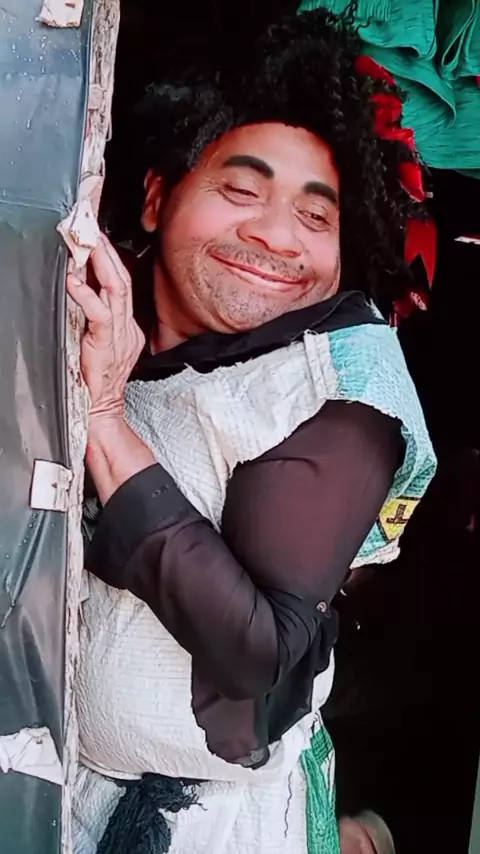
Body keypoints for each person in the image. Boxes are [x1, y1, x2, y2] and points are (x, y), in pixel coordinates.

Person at [68, 8, 436, 854]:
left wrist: (105, 420)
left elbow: (255, 656)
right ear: (156, 199)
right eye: (241, 191)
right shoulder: (113, 325)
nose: (277, 237)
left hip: (211, 828)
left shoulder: (340, 390)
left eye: (317, 218)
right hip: (74, 790)